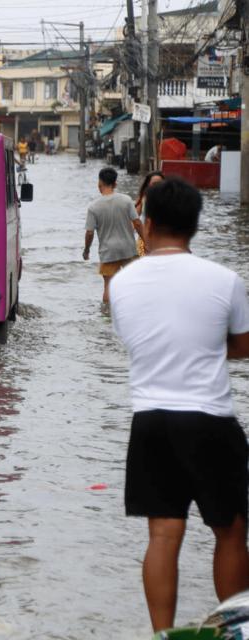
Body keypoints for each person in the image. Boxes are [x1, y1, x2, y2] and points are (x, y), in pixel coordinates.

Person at [110, 177, 249, 632]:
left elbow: (137, 342)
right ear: (194, 226)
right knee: (230, 531)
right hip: (211, 421)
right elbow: (243, 346)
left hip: (150, 423)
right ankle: (235, 629)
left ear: (147, 225)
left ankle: (162, 634)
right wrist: (210, 347)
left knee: (163, 535)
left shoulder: (123, 285)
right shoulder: (225, 280)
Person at [83, 167, 145, 305]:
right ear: (115, 184)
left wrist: (86, 250)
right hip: (129, 249)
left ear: (99, 184)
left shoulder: (93, 207)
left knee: (109, 286)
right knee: (133, 283)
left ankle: (107, 317)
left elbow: (89, 233)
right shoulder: (126, 200)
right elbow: (137, 223)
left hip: (108, 252)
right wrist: (146, 242)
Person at [134, 171, 165, 257]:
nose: (157, 186)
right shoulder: (143, 199)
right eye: (154, 184)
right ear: (148, 185)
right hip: (145, 238)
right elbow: (134, 219)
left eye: (160, 183)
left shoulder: (170, 199)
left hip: (164, 239)